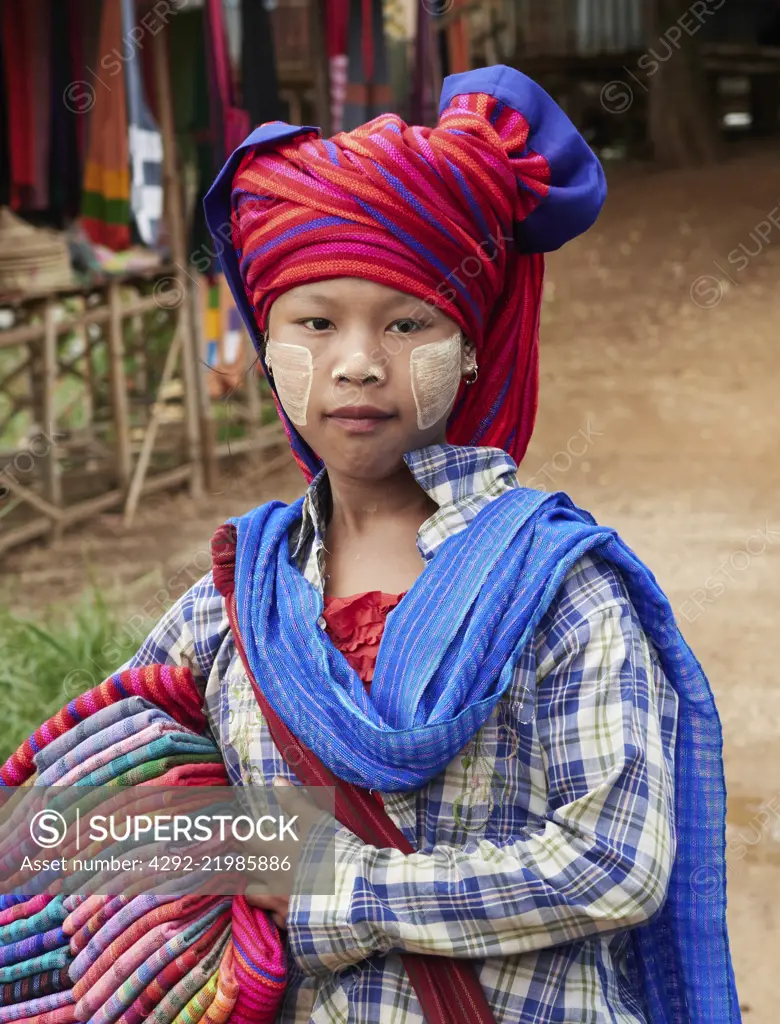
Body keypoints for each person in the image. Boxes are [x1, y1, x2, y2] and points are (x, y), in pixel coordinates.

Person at [128, 66, 738, 1022]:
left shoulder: (554, 590)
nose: (359, 360)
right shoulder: (230, 599)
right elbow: (90, 815)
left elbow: (614, 864)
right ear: (264, 342)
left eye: (407, 323)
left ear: (474, 344)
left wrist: (345, 890)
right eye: (315, 323)